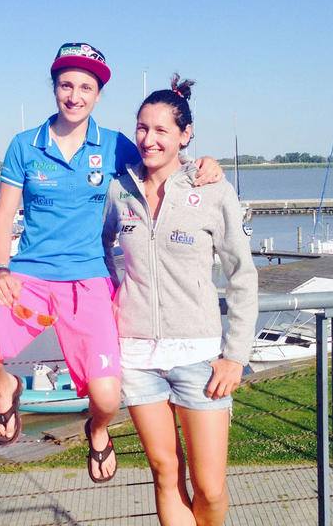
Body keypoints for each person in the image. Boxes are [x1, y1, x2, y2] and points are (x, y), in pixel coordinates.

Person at [0, 43, 223, 483]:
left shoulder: (116, 145)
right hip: (29, 276)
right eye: (66, 84)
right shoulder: (25, 145)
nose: (74, 95)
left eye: (85, 87)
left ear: (98, 95)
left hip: (90, 282)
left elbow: (164, 164)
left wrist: (204, 164)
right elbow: (4, 215)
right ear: (55, 88)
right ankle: (6, 386)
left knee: (106, 398)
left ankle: (97, 431)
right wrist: (0, 269)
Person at [102, 74, 258, 524]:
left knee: (210, 487)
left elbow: (242, 277)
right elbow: (97, 248)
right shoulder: (120, 190)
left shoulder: (212, 191)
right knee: (165, 472)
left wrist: (236, 356)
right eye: (142, 129)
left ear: (185, 135)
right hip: (136, 357)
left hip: (200, 359)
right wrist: (113, 295)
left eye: (161, 130)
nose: (148, 140)